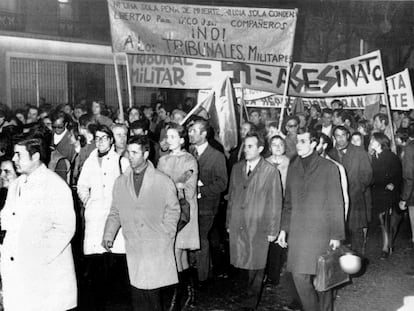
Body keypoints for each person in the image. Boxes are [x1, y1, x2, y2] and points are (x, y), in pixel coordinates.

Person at [102, 135, 180, 311]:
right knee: (138, 295)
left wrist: (166, 233)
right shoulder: (121, 182)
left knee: (153, 296)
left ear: (146, 154)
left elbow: (173, 210)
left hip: (156, 243)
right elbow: (115, 212)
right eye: (128, 152)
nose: (130, 156)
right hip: (134, 244)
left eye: (135, 152)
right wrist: (108, 234)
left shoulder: (162, 180)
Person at [1, 138, 77, 310]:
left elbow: (65, 228)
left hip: (45, 276)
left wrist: (36, 256)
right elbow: (7, 221)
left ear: (35, 156)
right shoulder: (17, 184)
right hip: (19, 274)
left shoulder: (55, 185)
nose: (14, 159)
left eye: (18, 155)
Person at [277, 131, 345, 311]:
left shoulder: (329, 168)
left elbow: (336, 203)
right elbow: (288, 202)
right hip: (298, 234)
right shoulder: (293, 167)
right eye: (297, 141)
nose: (298, 144)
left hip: (321, 233)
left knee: (324, 281)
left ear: (314, 144)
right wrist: (283, 229)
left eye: (303, 141)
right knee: (299, 277)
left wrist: (336, 235)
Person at [227, 132, 283, 310]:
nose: (246, 149)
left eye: (250, 146)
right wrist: (229, 221)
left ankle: (251, 303)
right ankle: (242, 295)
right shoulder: (237, 168)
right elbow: (232, 196)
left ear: (260, 148)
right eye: (245, 145)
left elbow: (275, 203)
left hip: (258, 225)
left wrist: (273, 230)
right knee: (241, 262)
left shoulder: (270, 171)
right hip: (238, 223)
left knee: (257, 265)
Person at [77, 124, 129, 310]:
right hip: (94, 217)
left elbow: (128, 188)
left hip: (115, 217)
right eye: (97, 138)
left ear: (111, 140)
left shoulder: (121, 161)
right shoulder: (90, 161)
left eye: (104, 138)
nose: (100, 141)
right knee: (96, 264)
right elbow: (82, 185)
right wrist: (88, 201)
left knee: (115, 261)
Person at [157, 123, 200, 310]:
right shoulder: (162, 160)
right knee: (179, 256)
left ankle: (176, 298)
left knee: (176, 253)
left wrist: (173, 187)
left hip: (183, 212)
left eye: (173, 137)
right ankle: (189, 292)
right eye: (168, 136)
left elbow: (187, 187)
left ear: (182, 140)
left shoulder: (189, 160)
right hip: (166, 212)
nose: (169, 140)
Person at [188, 118, 227, 284]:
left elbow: (222, 183)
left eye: (194, 131)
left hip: (207, 206)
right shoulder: (188, 152)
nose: (190, 134)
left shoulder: (216, 156)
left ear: (204, 134)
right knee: (191, 237)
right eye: (190, 131)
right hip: (189, 204)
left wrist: (200, 190)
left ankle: (203, 277)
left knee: (201, 237)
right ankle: (193, 270)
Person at [329, 125, 372, 255]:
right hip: (335, 200)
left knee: (356, 231)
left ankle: (358, 259)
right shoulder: (330, 154)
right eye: (337, 135)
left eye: (343, 135)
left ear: (348, 135)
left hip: (355, 198)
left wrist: (357, 190)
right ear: (334, 137)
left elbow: (367, 175)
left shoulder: (359, 153)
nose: (340, 138)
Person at [369, 133, 402, 258]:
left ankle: (386, 247)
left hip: (388, 193)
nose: (371, 141)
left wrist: (393, 183)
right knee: (382, 221)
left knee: (387, 220)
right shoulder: (374, 156)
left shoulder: (390, 156)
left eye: (373, 140)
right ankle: (388, 243)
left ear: (380, 142)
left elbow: (398, 174)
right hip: (378, 192)